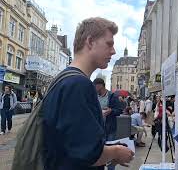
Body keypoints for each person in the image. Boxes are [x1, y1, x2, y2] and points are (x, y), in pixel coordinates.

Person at [42, 17, 134, 170]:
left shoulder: (64, 79)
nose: (113, 51)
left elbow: (70, 144)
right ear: (90, 42)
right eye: (109, 44)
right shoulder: (79, 84)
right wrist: (117, 151)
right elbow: (87, 154)